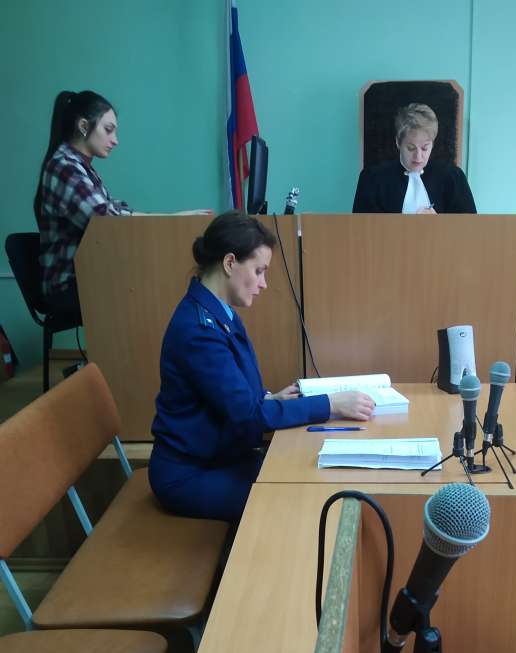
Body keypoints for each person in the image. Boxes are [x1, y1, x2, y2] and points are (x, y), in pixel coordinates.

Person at [149, 212, 375, 522]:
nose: (263, 284)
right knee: (295, 502)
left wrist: (268, 398)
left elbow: (236, 394)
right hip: (189, 474)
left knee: (307, 474)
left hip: (221, 457)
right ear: (230, 263)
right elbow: (247, 417)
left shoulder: (220, 313)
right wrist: (331, 404)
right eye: (258, 271)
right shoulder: (198, 330)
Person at [34, 90, 208, 318]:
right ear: (84, 126)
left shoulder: (82, 168)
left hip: (88, 278)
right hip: (68, 286)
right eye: (108, 130)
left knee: (157, 281)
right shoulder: (64, 167)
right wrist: (172, 219)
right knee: (152, 290)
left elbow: (114, 212)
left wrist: (170, 218)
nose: (115, 140)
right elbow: (106, 222)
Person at [353, 103, 476, 215]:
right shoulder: (372, 178)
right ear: (398, 142)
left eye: (425, 148)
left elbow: (469, 227)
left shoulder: (454, 177)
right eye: (411, 148)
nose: (418, 157)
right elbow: (363, 228)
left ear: (433, 144)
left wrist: (439, 223)